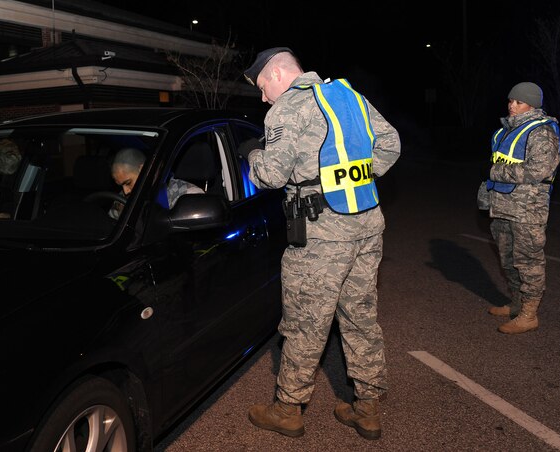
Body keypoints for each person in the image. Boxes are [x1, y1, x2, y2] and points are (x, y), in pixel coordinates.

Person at [242, 47, 400, 441]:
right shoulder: (348, 95)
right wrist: (354, 175)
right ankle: (367, 409)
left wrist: (252, 155)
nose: (263, 98)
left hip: (321, 234)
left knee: (306, 323)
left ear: (277, 74)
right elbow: (391, 144)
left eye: (262, 87)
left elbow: (272, 175)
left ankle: (288, 409)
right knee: (360, 316)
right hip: (366, 224)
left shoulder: (287, 108)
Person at [478, 82, 560, 334]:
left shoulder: (541, 133)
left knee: (528, 261)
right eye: (510, 101)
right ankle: (516, 303)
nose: (512, 106)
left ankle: (529, 314)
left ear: (532, 105)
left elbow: (539, 170)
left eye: (519, 102)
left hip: (528, 210)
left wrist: (495, 171)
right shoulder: (507, 130)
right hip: (503, 206)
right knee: (508, 259)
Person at [108, 147, 204, 219]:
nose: (125, 191)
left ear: (143, 170)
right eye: (121, 186)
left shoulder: (187, 194)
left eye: (128, 183)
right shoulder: (121, 199)